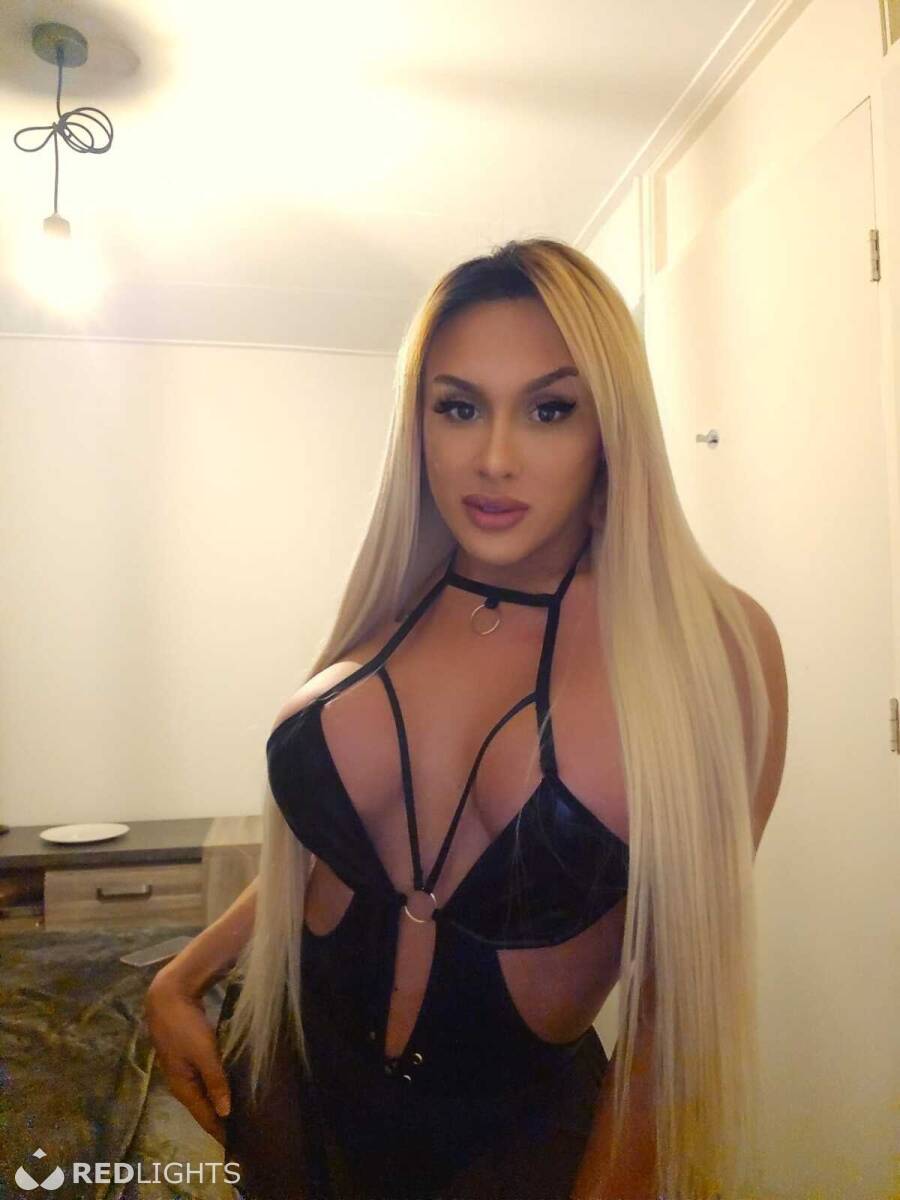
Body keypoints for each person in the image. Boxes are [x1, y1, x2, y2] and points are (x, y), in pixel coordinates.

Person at [146, 238, 788, 1200]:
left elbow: (675, 1015)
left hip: (511, 1146)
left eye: (549, 409)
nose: (494, 459)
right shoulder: (396, 600)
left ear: (610, 425)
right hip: (284, 1090)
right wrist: (181, 977)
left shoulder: (706, 646)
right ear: (419, 423)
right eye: (458, 407)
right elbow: (333, 854)